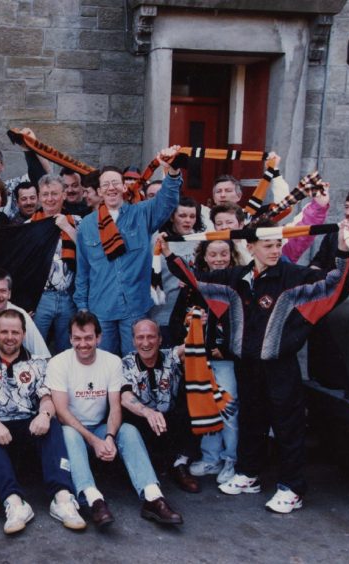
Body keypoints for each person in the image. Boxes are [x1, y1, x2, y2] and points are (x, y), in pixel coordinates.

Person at [164, 217, 349, 513]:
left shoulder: (293, 276)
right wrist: (167, 253)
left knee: (287, 426)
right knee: (251, 420)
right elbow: (196, 279)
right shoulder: (236, 278)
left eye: (278, 244)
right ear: (250, 246)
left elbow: (334, 288)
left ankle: (292, 488)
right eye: (268, 245)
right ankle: (248, 474)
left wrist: (343, 251)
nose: (275, 250)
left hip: (280, 366)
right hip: (247, 364)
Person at [49, 312, 184, 529]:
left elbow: (115, 406)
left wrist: (110, 436)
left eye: (88, 338)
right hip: (74, 429)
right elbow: (62, 412)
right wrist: (94, 440)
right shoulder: (58, 362)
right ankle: (94, 499)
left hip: (101, 427)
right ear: (70, 339)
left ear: (99, 338)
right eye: (77, 338)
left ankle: (152, 496)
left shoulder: (111, 361)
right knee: (68, 432)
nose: (83, 344)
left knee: (128, 430)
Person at [0, 309, 86, 534]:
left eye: (15, 332)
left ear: (23, 334)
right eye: (4, 331)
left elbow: (47, 398)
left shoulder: (40, 363)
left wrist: (44, 414)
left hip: (30, 426)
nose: (9, 337)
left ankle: (62, 498)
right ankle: (14, 503)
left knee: (52, 424)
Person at [74, 146, 182, 355]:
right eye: (106, 184)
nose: (111, 188)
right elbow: (83, 271)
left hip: (135, 308)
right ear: (99, 191)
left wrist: (172, 170)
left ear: (124, 187)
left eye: (116, 183)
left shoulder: (141, 214)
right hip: (100, 311)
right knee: (103, 366)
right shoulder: (86, 226)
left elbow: (167, 200)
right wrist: (83, 308)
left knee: (135, 363)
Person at [168, 238, 240, 485]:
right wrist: (193, 327)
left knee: (228, 407)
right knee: (205, 406)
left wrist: (223, 347)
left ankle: (231, 459)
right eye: (213, 254)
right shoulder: (191, 287)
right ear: (204, 257)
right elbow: (176, 322)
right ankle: (211, 457)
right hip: (198, 358)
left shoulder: (238, 284)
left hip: (225, 360)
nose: (219, 259)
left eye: (224, 254)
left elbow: (242, 323)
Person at [120, 320, 200, 494]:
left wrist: (197, 323)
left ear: (160, 339)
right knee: (126, 420)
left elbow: (192, 344)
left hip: (170, 424)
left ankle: (180, 464)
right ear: (133, 341)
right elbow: (125, 397)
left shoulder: (170, 356)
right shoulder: (126, 363)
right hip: (143, 423)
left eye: (151, 337)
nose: (146, 343)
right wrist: (147, 412)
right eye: (140, 337)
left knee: (192, 402)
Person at [28, 174, 80, 353]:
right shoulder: (29, 225)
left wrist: (67, 227)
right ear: (39, 197)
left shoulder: (76, 221)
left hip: (69, 296)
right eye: (45, 194)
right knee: (35, 349)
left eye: (54, 193)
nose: (50, 199)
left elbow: (89, 253)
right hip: (40, 299)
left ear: (64, 195)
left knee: (67, 350)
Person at [150, 197, 204, 346]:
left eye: (192, 216)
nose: (188, 220)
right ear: (172, 217)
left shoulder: (200, 241)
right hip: (162, 311)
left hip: (190, 314)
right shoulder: (156, 240)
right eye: (182, 216)